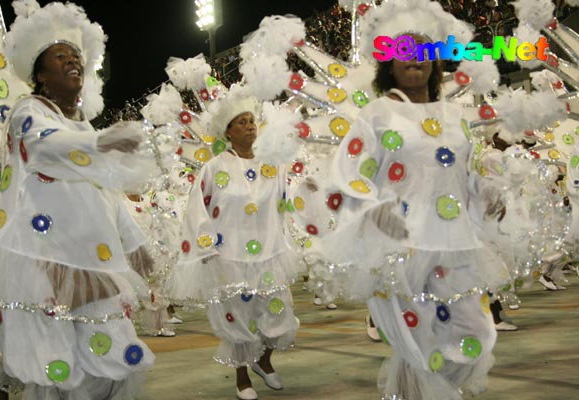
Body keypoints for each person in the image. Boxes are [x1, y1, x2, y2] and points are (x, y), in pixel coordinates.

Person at [306, 2, 510, 398]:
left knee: (477, 334)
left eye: (422, 54)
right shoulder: (378, 114)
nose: (413, 60)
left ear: (436, 64)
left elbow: (461, 173)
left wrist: (483, 191)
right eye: (403, 53)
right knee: (418, 346)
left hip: (456, 244)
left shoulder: (455, 117)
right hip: (404, 248)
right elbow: (346, 171)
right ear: (389, 65)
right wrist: (373, 208)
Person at [0, 2, 155, 398]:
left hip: (92, 256)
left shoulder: (81, 125)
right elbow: (47, 149)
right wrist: (102, 142)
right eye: (61, 56)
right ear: (40, 74)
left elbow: (105, 189)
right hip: (48, 259)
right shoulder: (29, 112)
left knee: (109, 358)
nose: (73, 61)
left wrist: (134, 241)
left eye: (76, 55)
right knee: (56, 364)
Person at [168, 90, 302, 400]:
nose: (250, 126)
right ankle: (242, 375)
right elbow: (197, 207)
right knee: (238, 318)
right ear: (228, 131)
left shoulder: (275, 164)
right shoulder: (215, 167)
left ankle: (263, 361)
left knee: (279, 317)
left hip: (270, 254)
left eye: (252, 120)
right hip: (229, 255)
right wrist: (205, 248)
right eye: (241, 122)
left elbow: (288, 201)